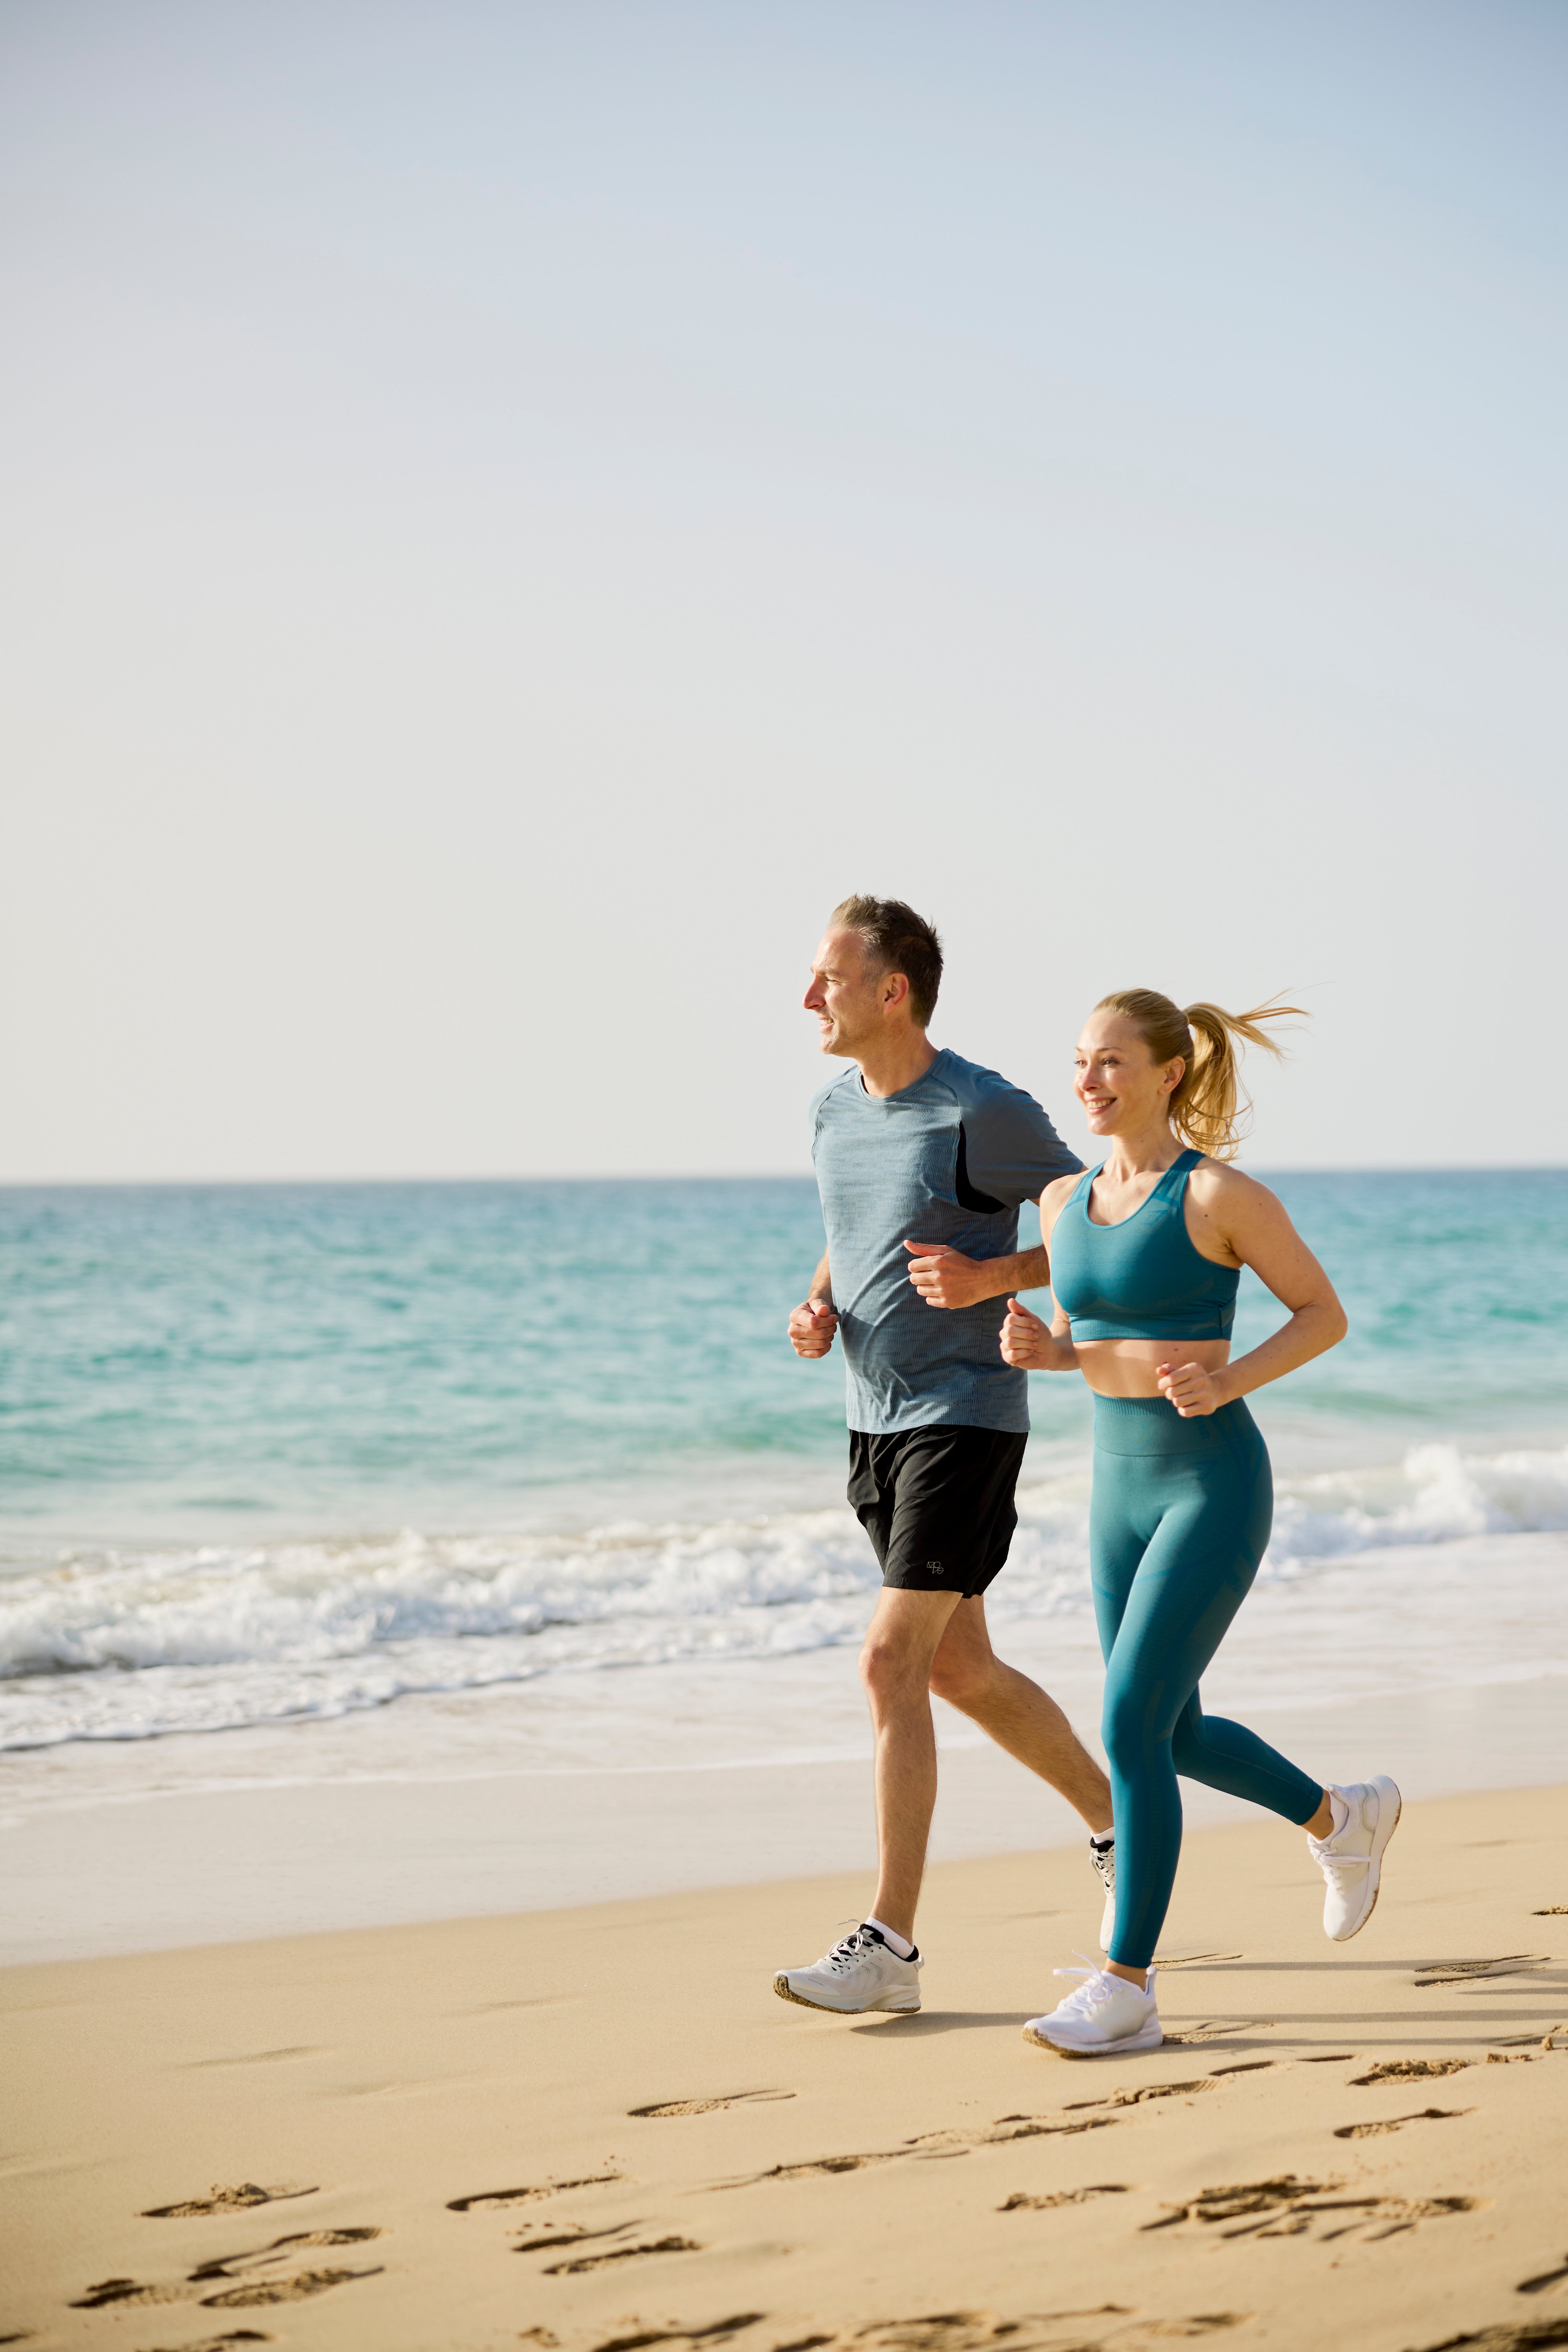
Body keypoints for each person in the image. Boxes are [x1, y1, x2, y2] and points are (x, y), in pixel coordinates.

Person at [1002, 989, 1400, 2058]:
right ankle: (1340, 1818)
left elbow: (1324, 1311)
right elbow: (1080, 1321)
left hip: (1211, 1486)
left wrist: (1229, 1380)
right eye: (1080, 1062)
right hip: (1115, 1494)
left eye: (1111, 1062)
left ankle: (1127, 1983)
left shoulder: (1219, 1192)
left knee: (1131, 1725)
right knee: (1168, 1732)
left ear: (1169, 1071)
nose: (1088, 1081)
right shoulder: (1058, 1199)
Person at [773, 896, 1116, 2019]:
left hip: (965, 1414)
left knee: (888, 1662)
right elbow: (852, 1222)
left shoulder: (979, 1108)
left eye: (828, 977)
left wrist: (991, 1280)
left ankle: (892, 1945)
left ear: (892, 992)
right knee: (959, 1669)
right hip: (873, 1419)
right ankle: (1125, 1827)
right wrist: (821, 1300)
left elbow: (1095, 1217)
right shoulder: (832, 1106)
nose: (808, 996)